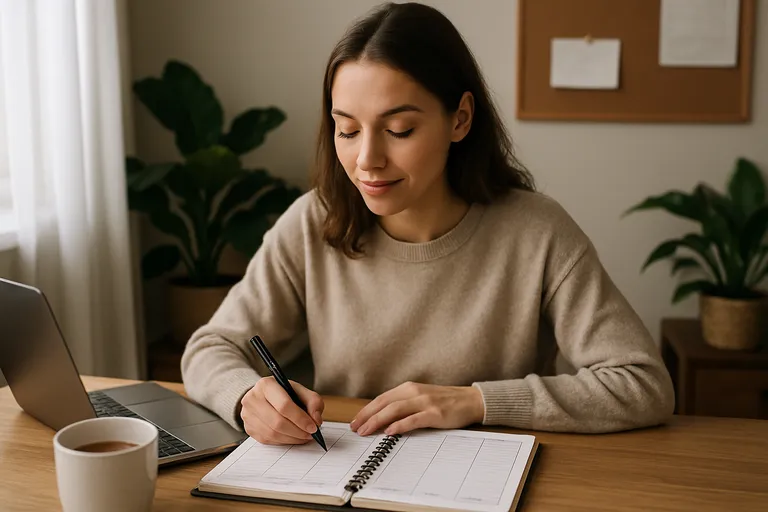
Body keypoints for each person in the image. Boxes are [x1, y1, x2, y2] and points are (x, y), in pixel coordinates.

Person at [181, 1, 674, 446]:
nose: (367, 159)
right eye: (347, 129)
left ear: (460, 119)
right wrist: (246, 396)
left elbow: (642, 383)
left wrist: (475, 401)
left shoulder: (538, 232)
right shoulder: (315, 221)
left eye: (399, 129)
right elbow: (209, 347)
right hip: (342, 474)